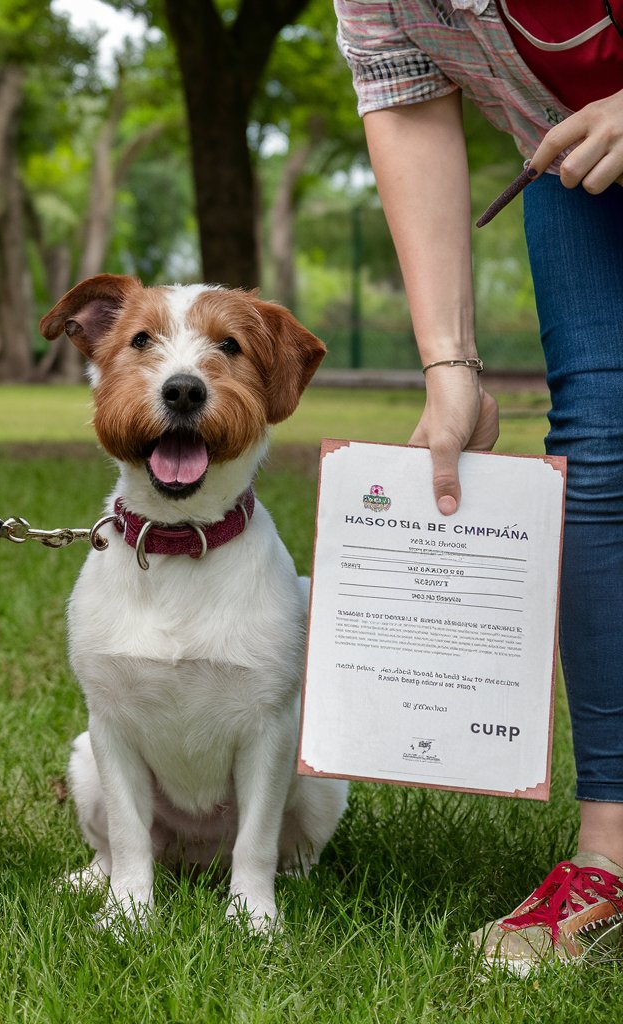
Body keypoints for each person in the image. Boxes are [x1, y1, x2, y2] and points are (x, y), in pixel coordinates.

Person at [333, 0, 623, 973]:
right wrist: (447, 367)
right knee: (598, 446)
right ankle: (608, 861)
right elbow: (405, 95)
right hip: (579, 160)